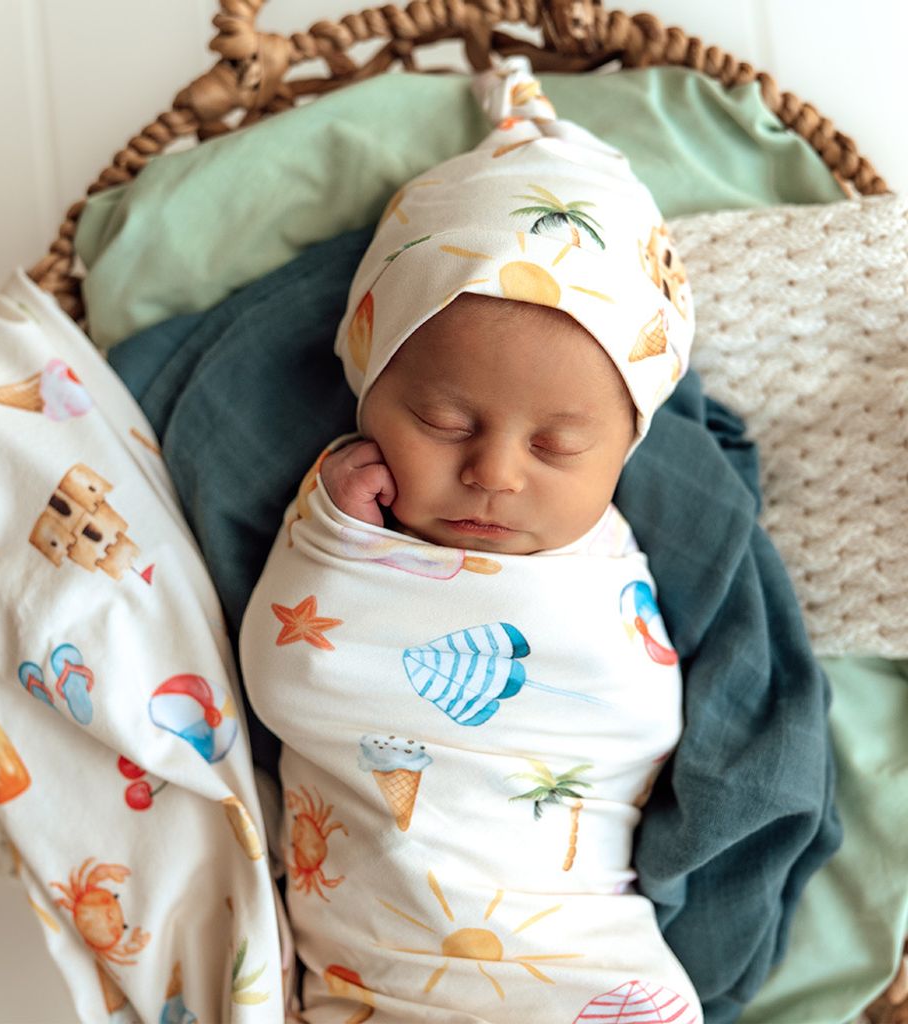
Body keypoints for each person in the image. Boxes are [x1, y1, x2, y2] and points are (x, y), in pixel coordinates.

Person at [239, 57, 702, 1023]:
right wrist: (328, 538)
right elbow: (289, 683)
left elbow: (634, 715)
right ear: (370, 389)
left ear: (627, 447)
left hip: (578, 949)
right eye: (446, 423)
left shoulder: (608, 560)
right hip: (375, 964)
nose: (495, 473)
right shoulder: (342, 519)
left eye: (557, 445)